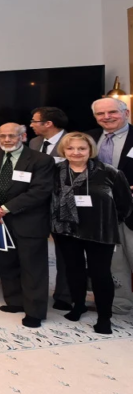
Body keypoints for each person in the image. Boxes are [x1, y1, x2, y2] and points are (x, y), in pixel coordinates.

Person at [51, 132, 133, 335]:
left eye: (81, 148)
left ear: (90, 150)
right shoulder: (55, 171)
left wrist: (110, 221)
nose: (76, 152)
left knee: (101, 274)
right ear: (64, 150)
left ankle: (104, 317)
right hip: (66, 230)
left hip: (100, 231)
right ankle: (79, 305)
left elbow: (125, 204)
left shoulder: (109, 172)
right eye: (71, 148)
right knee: (74, 270)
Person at [0, 122, 54, 328]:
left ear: (23, 137)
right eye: (3, 136)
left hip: (29, 220)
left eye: (12, 136)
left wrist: (6, 207)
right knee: (7, 263)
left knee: (33, 267)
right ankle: (14, 301)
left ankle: (35, 311)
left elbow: (40, 191)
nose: (7, 140)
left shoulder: (41, 160)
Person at [86, 97, 133, 316]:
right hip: (101, 213)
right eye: (100, 114)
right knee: (114, 262)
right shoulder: (89, 138)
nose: (106, 117)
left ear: (126, 113)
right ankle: (121, 304)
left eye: (112, 112)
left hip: (132, 211)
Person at [29, 106, 72, 310]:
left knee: (65, 251)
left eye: (34, 121)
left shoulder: (72, 142)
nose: (31, 125)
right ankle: (36, 294)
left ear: (48, 124)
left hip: (64, 203)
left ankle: (64, 295)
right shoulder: (34, 142)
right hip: (37, 204)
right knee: (36, 250)